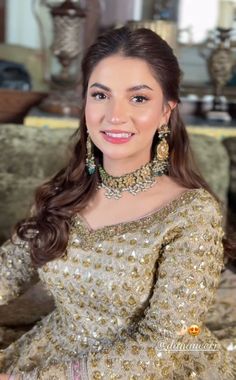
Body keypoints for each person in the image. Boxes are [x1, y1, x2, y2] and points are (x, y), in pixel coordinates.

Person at [0, 26, 236, 380]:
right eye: (100, 95)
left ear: (165, 111)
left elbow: (164, 343)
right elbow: (8, 272)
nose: (114, 115)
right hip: (53, 349)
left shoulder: (192, 213)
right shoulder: (66, 190)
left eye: (138, 98)